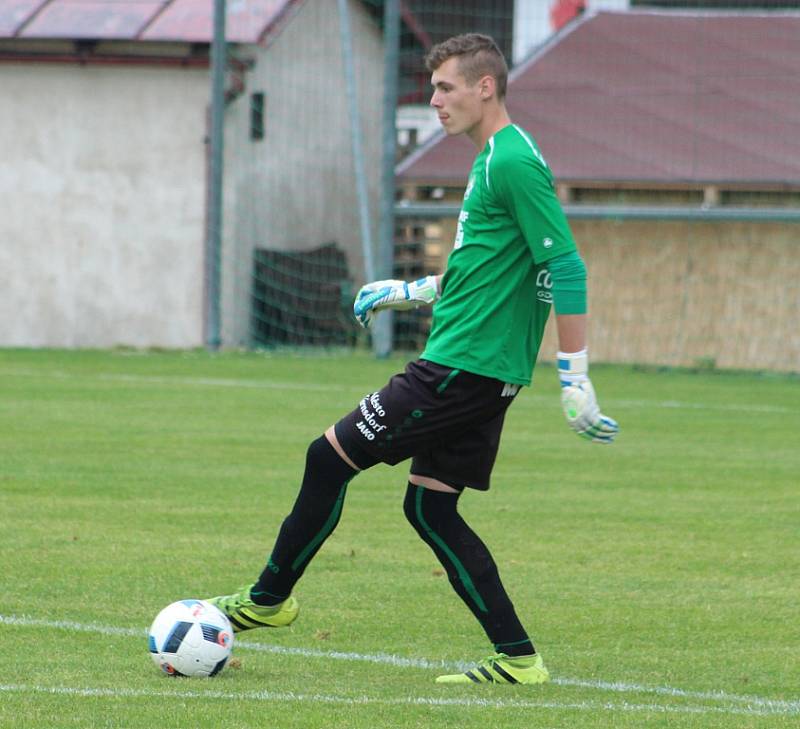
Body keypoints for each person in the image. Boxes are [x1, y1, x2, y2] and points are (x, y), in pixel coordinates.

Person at [208, 33, 618, 686]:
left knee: (326, 457)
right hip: (481, 370)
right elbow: (489, 265)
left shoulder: (510, 160)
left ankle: (268, 599)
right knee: (430, 509)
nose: (434, 101)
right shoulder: (496, 158)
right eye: (432, 89)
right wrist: (411, 291)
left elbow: (563, 266)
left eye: (446, 88)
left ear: (486, 87)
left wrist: (576, 377)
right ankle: (519, 658)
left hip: (462, 368)